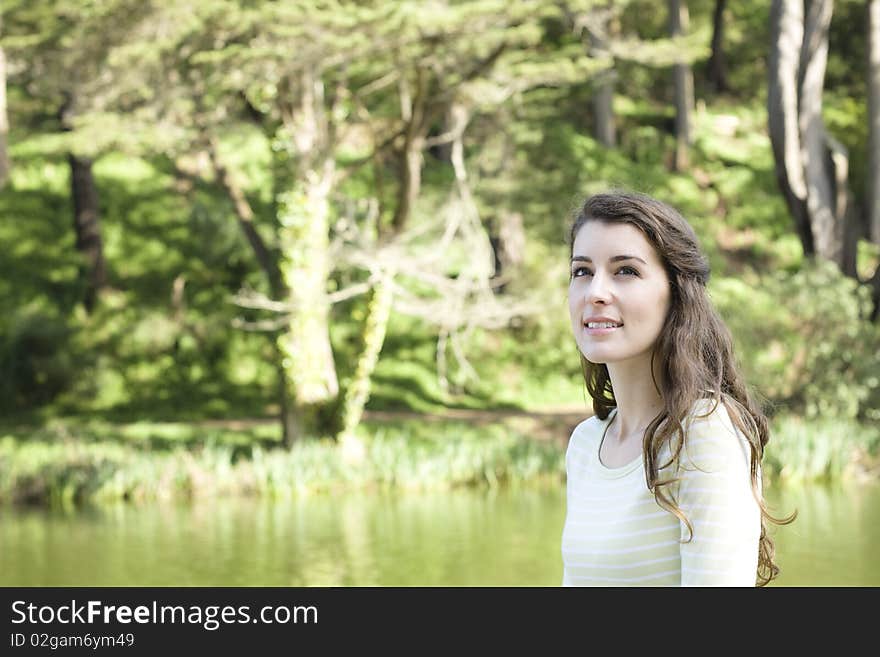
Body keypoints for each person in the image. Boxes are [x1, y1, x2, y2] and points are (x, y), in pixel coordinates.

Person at [561, 190, 794, 586]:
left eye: (626, 271)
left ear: (676, 294)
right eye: (582, 271)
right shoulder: (586, 444)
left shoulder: (703, 434)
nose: (595, 291)